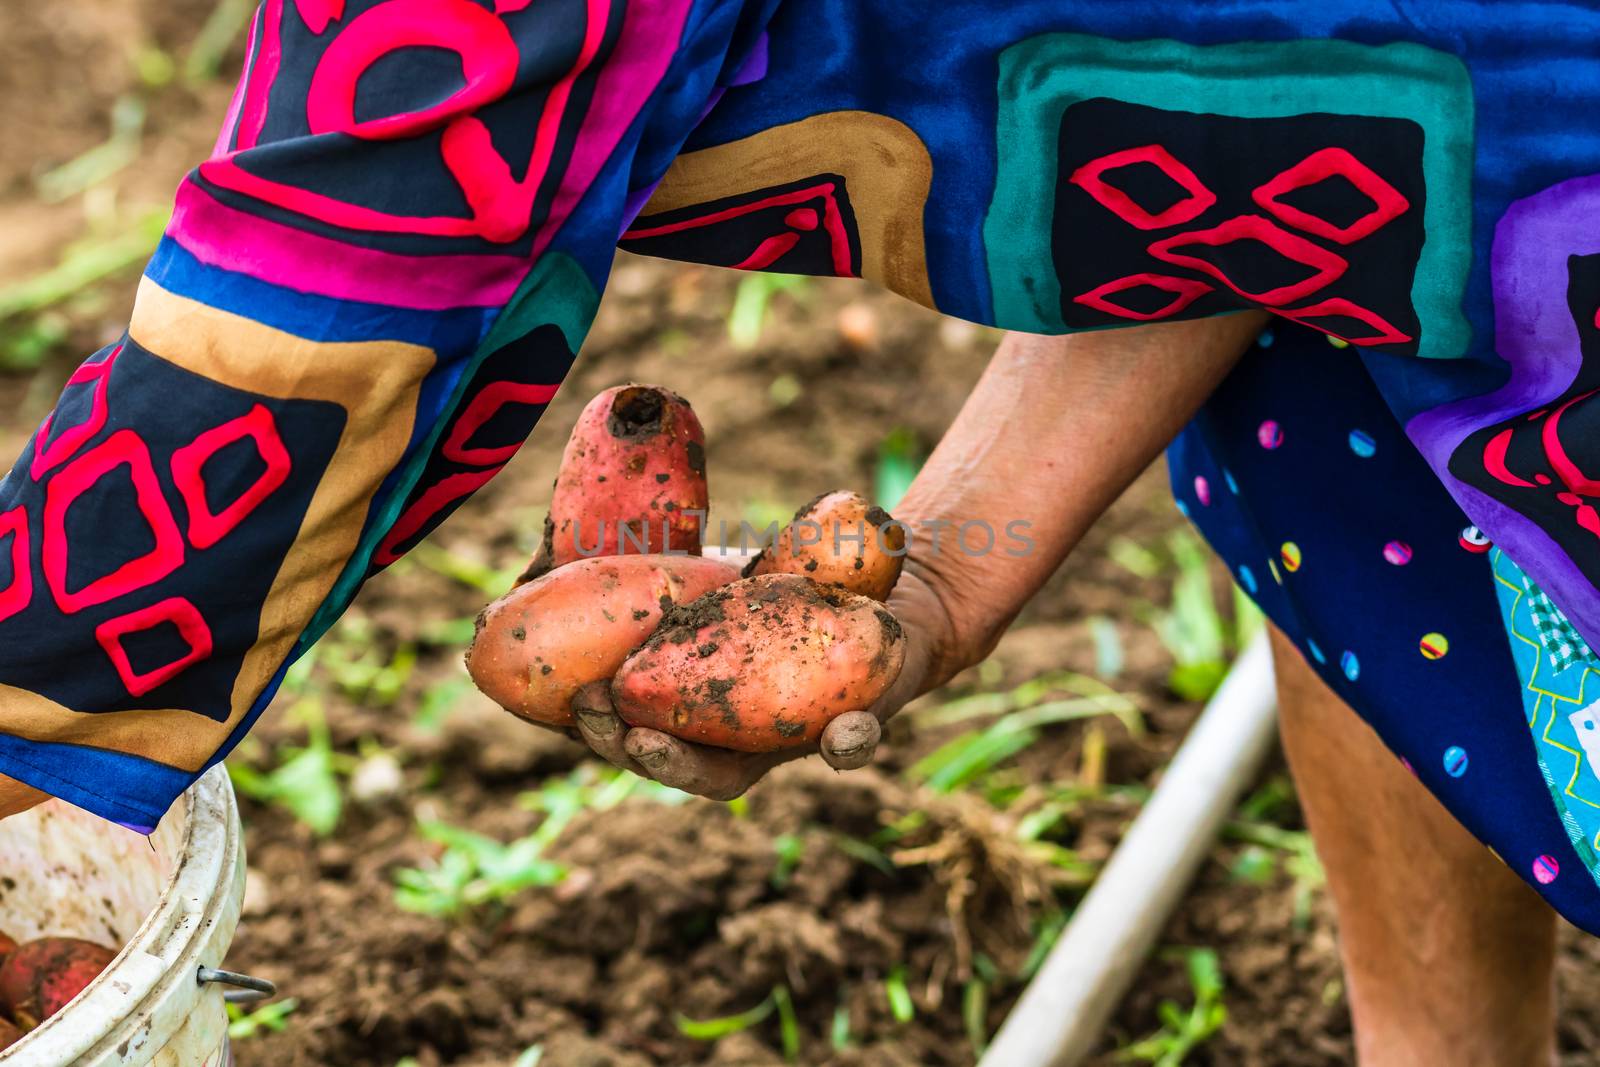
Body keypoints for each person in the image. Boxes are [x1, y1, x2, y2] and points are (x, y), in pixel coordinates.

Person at [0, 2, 1594, 1062]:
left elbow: (342, 276)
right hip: (1481, 174)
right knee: (1348, 429)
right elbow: (1298, 121)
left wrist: (21, 719)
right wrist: (949, 569)